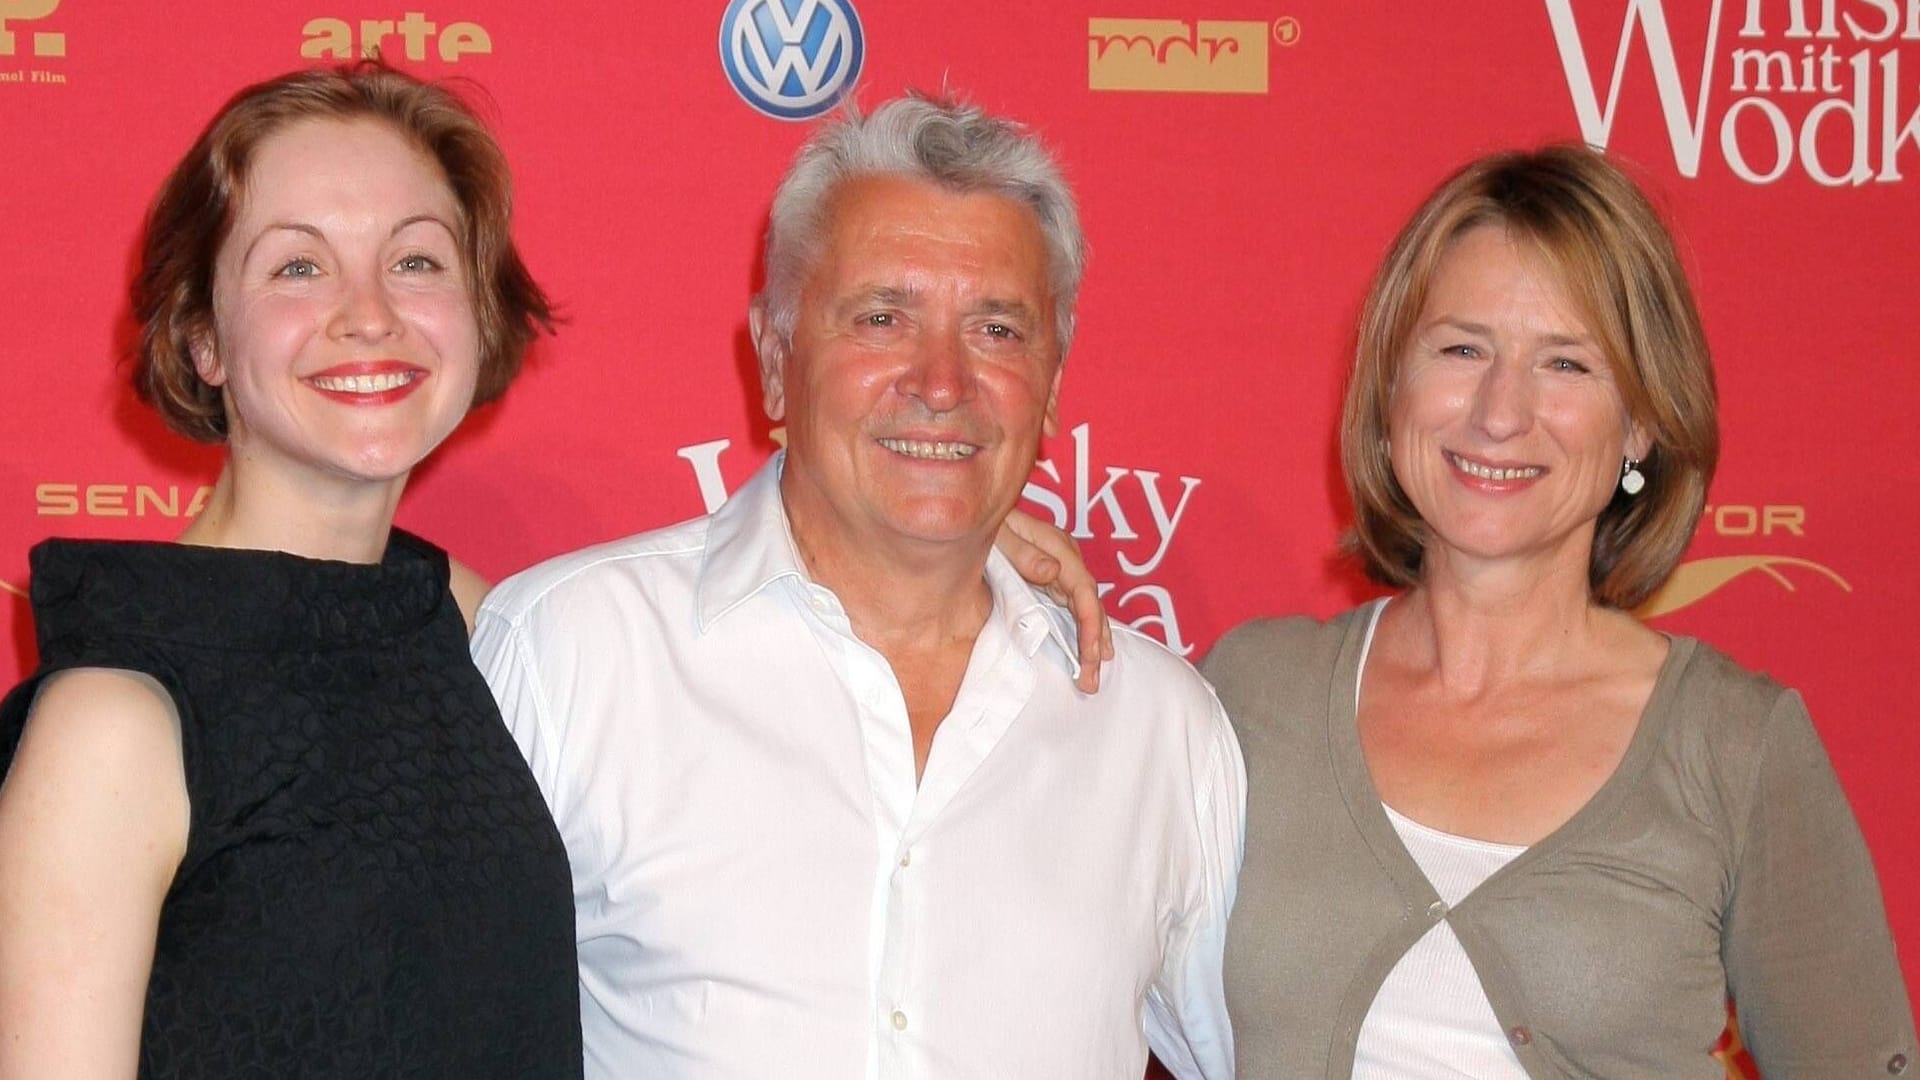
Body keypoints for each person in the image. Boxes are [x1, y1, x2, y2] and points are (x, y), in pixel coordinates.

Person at [472, 93, 1245, 1080]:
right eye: (882, 318)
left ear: (1054, 379)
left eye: (998, 330)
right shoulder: (569, 654)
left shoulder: (1162, 730)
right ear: (774, 358)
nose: (941, 381)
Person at [1207, 145, 1917, 1079]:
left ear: (1640, 424)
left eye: (1567, 364)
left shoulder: (1735, 745)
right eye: (1462, 349)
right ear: (1391, 389)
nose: (1502, 413)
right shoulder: (1250, 695)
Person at [0, 62, 584, 1078]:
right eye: (297, 268)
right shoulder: (116, 722)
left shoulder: (473, 624)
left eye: (416, 261)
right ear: (201, 341)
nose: (369, 315)